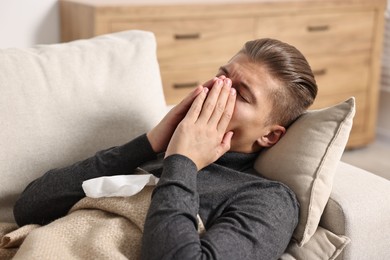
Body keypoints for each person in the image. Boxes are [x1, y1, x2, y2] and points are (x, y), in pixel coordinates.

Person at [13, 38, 317, 259]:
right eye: (222, 76)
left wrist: (183, 161)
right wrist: (150, 143)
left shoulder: (267, 199)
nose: (217, 90)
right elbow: (29, 207)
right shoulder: (157, 153)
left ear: (270, 136)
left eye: (240, 94)